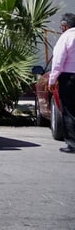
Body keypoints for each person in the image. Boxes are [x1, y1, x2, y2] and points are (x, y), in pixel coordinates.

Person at [48, 12, 75, 154]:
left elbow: (58, 61)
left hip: (69, 77)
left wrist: (52, 80)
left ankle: (72, 144)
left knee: (69, 110)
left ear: (65, 26)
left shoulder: (66, 37)